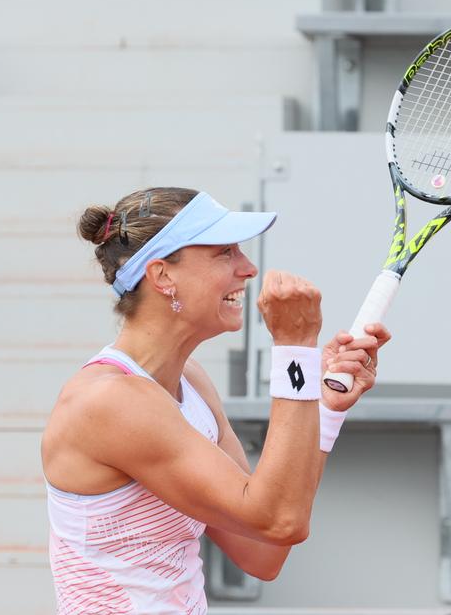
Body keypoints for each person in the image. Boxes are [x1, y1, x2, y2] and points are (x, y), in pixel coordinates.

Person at [41, 187, 390, 614]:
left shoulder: (190, 382)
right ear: (162, 276)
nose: (248, 268)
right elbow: (279, 520)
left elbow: (264, 549)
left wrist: (324, 407)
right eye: (224, 252)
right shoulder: (111, 401)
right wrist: (295, 347)